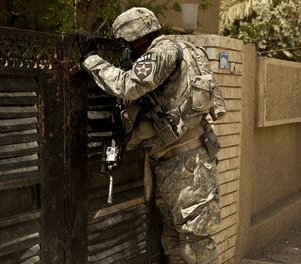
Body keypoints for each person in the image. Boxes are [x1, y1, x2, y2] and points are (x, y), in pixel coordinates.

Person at [77, 7, 226, 263]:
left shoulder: (162, 52)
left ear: (136, 37)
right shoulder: (187, 49)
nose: (128, 50)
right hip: (177, 159)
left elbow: (127, 86)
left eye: (126, 44)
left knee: (195, 241)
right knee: (174, 240)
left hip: (186, 163)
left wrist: (91, 59)